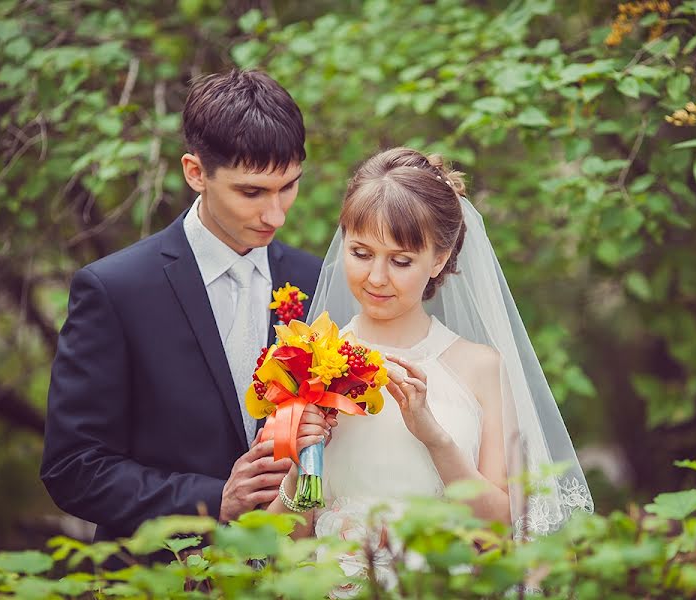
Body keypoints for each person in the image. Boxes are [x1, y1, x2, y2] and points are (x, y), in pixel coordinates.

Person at [266, 147, 593, 588]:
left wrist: (435, 438)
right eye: (361, 253)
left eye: (400, 261)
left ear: (438, 260)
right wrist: (301, 462)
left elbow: (504, 534)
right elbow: (279, 547)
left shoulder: (481, 368)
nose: (377, 278)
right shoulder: (309, 361)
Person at [40, 69, 332, 543]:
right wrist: (214, 500)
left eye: (289, 186)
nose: (275, 214)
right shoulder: (115, 290)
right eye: (252, 192)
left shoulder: (316, 281)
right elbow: (73, 467)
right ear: (195, 173)